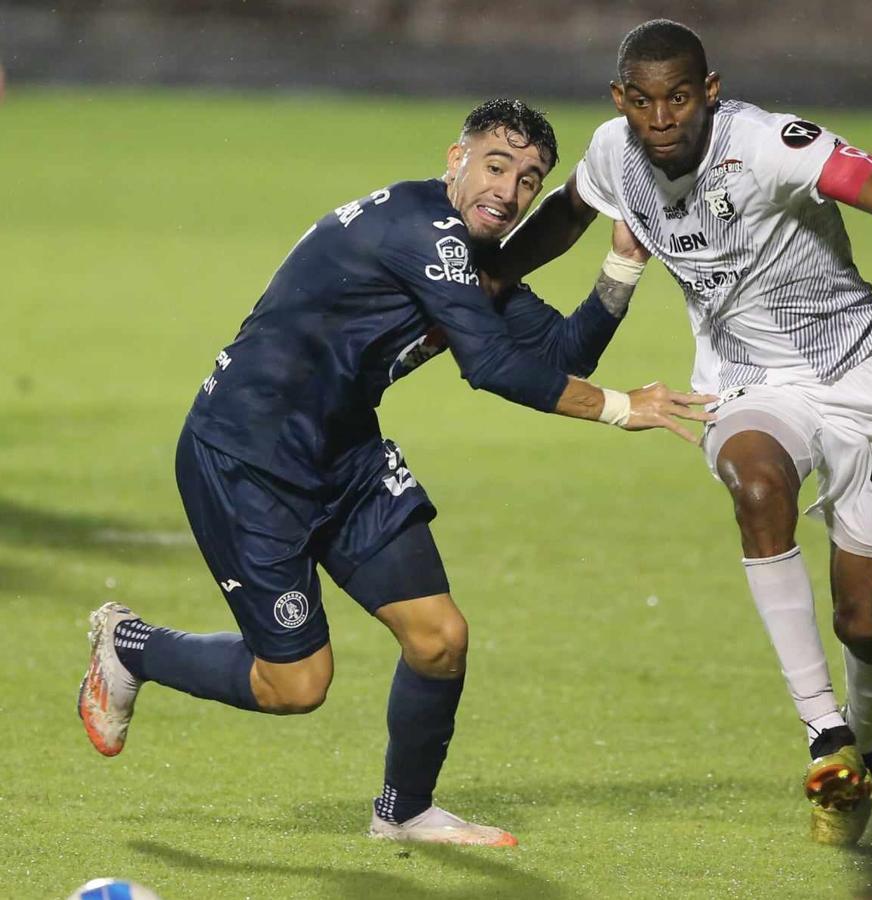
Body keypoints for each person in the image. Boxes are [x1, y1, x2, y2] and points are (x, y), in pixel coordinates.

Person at [491, 21, 872, 845]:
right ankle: (824, 734)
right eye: (644, 100)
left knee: (863, 623)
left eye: (680, 97)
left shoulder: (771, 146)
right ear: (622, 100)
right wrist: (484, 279)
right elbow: (565, 215)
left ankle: (862, 747)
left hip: (862, 381)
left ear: (711, 91)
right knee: (757, 485)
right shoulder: (612, 155)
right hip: (747, 386)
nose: (662, 118)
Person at [77, 98, 713, 847]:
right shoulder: (423, 232)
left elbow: (559, 357)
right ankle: (130, 646)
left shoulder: (466, 256)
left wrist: (623, 265)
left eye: (529, 180)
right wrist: (618, 409)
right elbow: (495, 367)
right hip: (248, 459)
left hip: (344, 456)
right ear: (456, 158)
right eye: (496, 165)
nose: (508, 191)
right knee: (296, 684)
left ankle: (403, 812)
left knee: (439, 638)